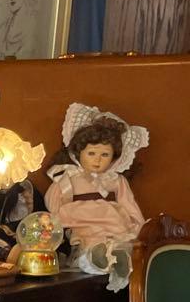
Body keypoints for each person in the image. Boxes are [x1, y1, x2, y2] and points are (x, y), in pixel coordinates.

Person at [44, 104, 149, 291]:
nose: (97, 159)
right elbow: (54, 205)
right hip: (83, 227)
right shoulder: (68, 178)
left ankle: (119, 258)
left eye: (105, 154)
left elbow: (129, 205)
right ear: (78, 153)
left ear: (114, 157)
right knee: (89, 248)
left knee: (122, 245)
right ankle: (96, 258)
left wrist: (142, 230)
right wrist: (56, 223)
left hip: (115, 226)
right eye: (91, 153)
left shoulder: (116, 180)